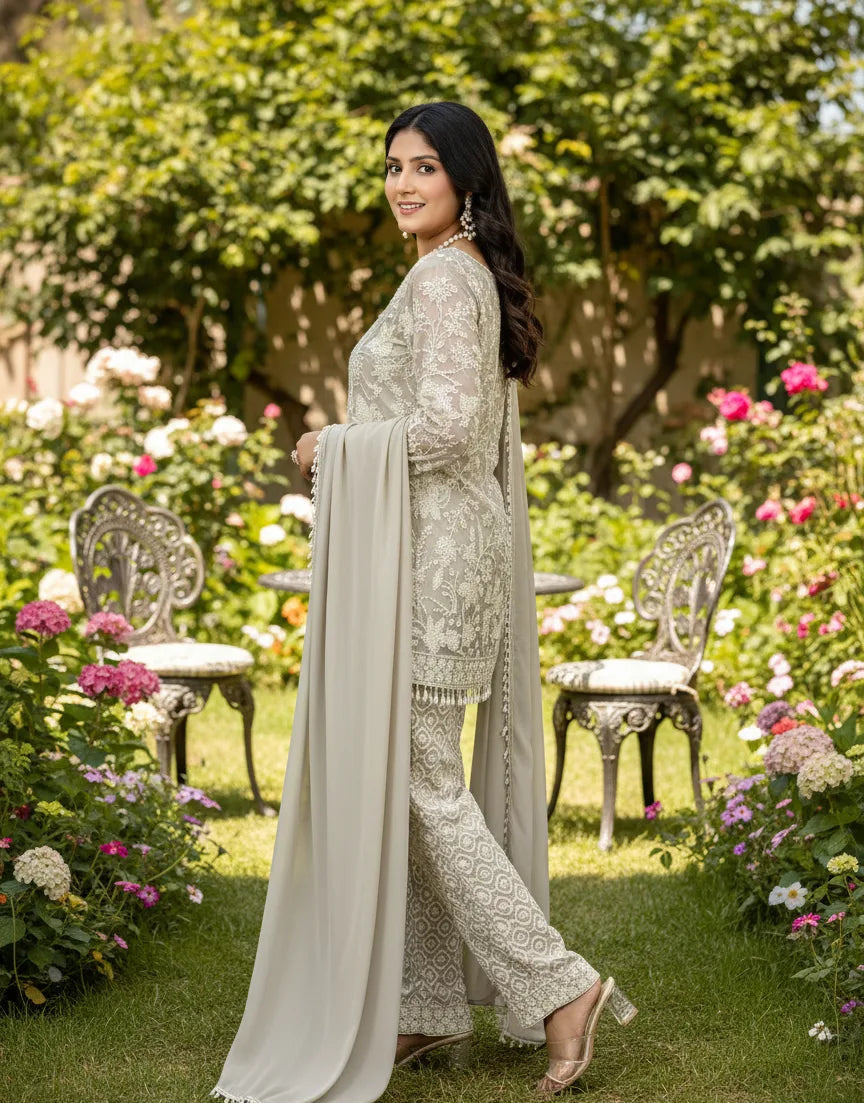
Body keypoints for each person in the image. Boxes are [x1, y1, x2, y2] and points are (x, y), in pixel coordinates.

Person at [209, 101, 635, 1103]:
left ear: (466, 183)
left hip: (437, 557)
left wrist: (332, 446)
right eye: (394, 166)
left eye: (424, 168)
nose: (403, 183)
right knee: (416, 775)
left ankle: (560, 984)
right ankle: (426, 1001)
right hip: (434, 546)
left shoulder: (449, 279)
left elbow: (449, 426)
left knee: (420, 776)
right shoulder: (450, 271)